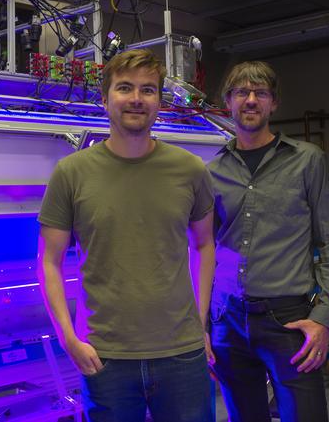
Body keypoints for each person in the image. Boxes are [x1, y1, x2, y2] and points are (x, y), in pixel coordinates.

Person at [37, 49, 216, 422]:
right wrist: (69, 339)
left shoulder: (190, 170)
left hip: (181, 355)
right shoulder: (71, 173)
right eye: (125, 88)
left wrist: (200, 324)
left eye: (148, 90)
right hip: (106, 358)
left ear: (159, 102)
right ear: (105, 100)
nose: (136, 98)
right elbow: (49, 262)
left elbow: (204, 244)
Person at [207, 61, 329, 422]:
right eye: (242, 92)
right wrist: (203, 326)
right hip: (227, 319)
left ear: (273, 103)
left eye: (261, 93)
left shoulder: (307, 161)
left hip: (288, 319)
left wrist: (323, 318)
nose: (250, 100)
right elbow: (201, 251)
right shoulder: (213, 170)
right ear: (228, 102)